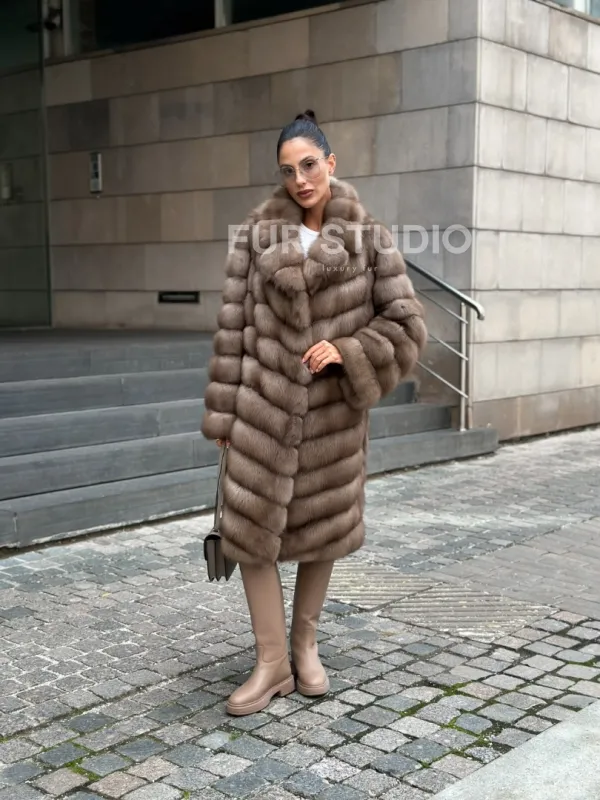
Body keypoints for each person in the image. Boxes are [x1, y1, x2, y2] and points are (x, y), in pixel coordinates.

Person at [201, 110, 427, 716]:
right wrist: (223, 415)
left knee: (321, 531)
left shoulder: (369, 238)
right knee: (250, 536)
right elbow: (234, 331)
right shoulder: (255, 237)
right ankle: (271, 661)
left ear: (330, 163)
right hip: (262, 413)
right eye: (287, 170)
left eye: (308, 165)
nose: (299, 179)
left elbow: (407, 325)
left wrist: (350, 350)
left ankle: (304, 646)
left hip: (331, 415)